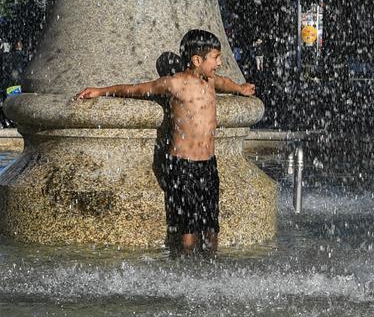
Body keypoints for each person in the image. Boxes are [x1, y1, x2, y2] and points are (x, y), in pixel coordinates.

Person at [75, 29, 256, 254]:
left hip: (208, 164)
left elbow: (225, 83)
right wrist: (101, 91)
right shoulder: (175, 83)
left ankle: (210, 273)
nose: (219, 62)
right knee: (187, 233)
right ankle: (184, 270)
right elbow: (136, 90)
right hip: (182, 166)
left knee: (211, 227)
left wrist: (240, 88)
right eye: (216, 57)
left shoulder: (209, 80)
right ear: (197, 60)